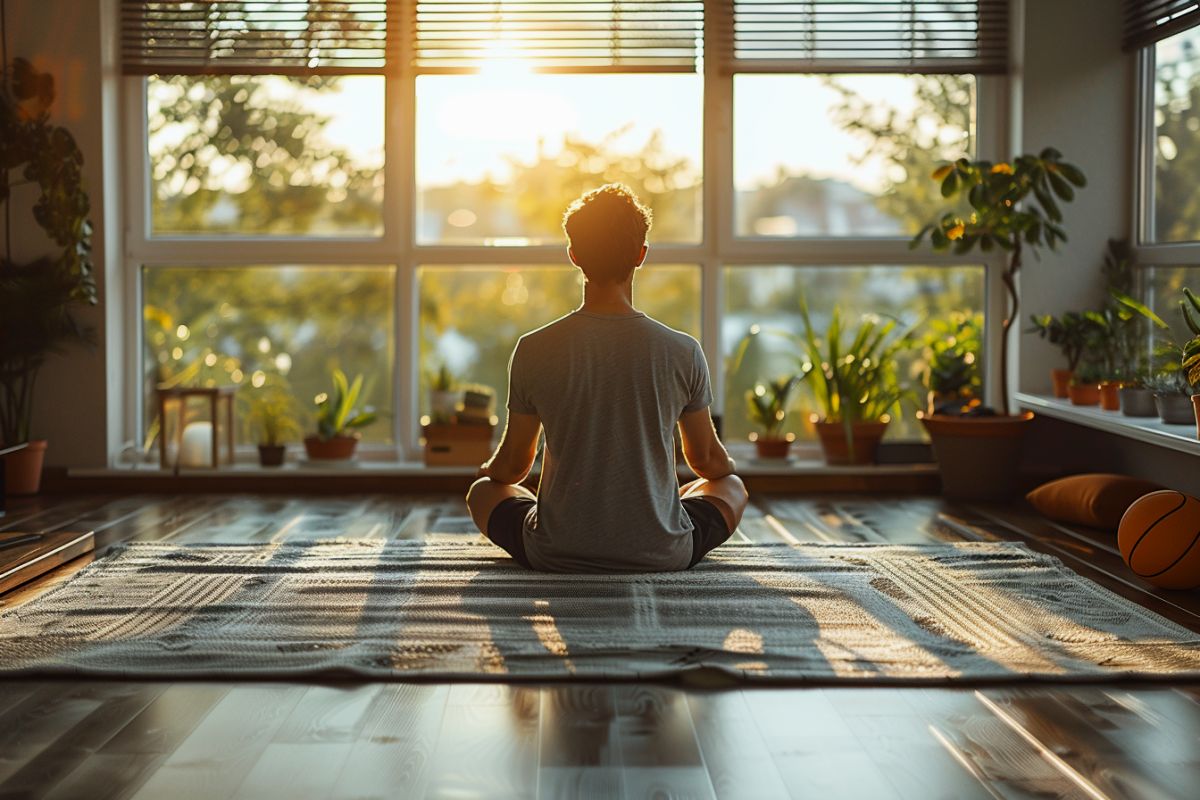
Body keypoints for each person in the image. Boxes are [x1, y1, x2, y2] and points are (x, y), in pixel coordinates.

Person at [465, 184, 748, 572]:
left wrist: (487, 471)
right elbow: (706, 461)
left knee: (483, 492)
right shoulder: (683, 350)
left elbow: (513, 466)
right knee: (730, 487)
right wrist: (719, 470)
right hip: (663, 553)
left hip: (554, 552)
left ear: (574, 255)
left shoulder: (533, 348)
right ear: (640, 255)